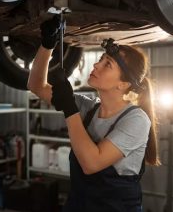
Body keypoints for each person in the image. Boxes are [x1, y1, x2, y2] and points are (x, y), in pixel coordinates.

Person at [27, 15, 160, 212]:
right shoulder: (88, 108)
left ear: (123, 84)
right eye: (101, 59)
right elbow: (36, 86)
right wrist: (47, 45)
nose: (96, 65)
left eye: (107, 64)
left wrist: (69, 109)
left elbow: (92, 163)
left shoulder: (137, 120)